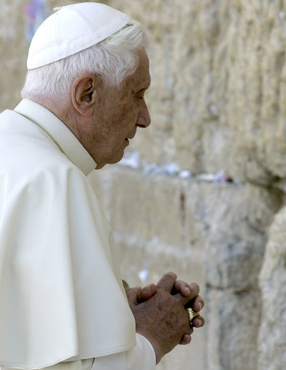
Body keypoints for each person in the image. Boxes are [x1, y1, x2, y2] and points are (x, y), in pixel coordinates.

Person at [0, 3, 205, 370]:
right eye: (137, 94)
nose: (145, 118)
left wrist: (106, 309)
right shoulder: (54, 182)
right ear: (87, 94)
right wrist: (153, 335)